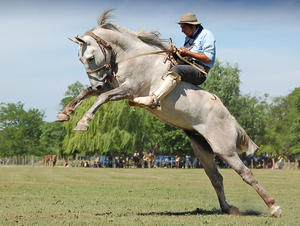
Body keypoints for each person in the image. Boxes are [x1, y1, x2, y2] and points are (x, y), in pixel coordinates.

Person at [134, 12, 216, 108]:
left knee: (177, 70)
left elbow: (208, 58)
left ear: (193, 27)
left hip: (199, 71)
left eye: (183, 27)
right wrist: (176, 52)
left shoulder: (207, 34)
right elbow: (186, 54)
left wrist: (187, 53)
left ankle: (154, 99)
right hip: (188, 65)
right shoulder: (189, 37)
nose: (182, 31)